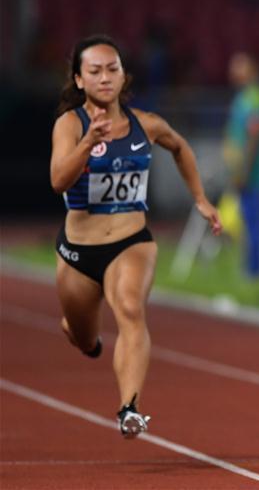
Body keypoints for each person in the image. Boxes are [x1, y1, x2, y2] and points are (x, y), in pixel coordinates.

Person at [50, 35, 221, 438]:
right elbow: (58, 181)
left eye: (112, 69)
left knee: (130, 308)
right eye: (95, 71)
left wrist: (200, 198)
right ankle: (79, 333)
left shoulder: (147, 123)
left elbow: (180, 147)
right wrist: (88, 143)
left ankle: (130, 408)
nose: (105, 78)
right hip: (78, 253)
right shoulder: (70, 124)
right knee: (84, 338)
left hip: (131, 242)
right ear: (79, 80)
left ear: (124, 75)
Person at [223, 52, 259, 279]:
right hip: (240, 171)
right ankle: (249, 267)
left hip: (253, 173)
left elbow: (254, 135)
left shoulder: (256, 97)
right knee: (244, 221)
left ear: (252, 70)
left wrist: (245, 169)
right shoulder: (242, 98)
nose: (233, 72)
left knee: (253, 222)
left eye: (239, 67)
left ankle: (256, 271)